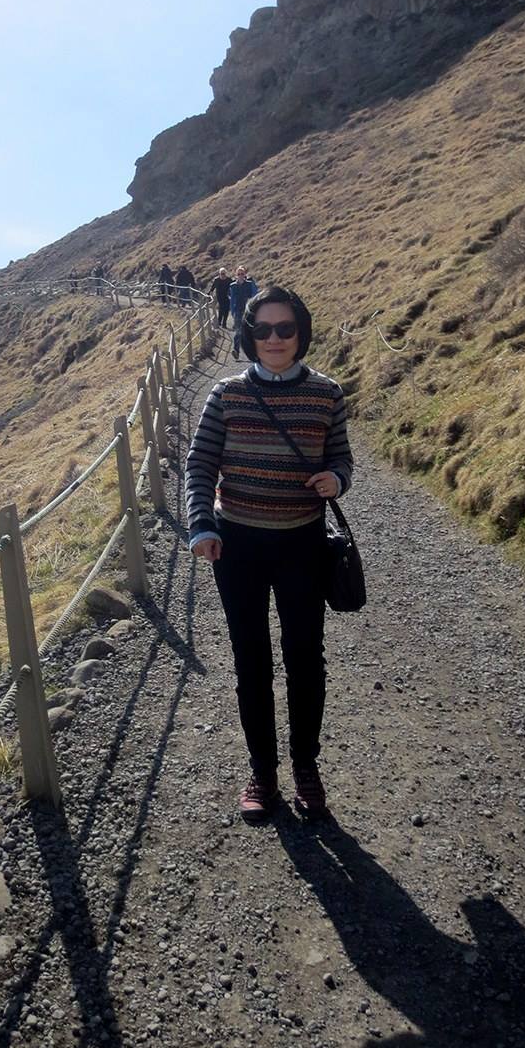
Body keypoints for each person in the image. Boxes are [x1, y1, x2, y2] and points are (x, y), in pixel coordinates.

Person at [186, 285, 354, 820]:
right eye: (263, 330)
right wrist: (201, 525)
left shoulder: (327, 394)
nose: (275, 338)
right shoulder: (226, 395)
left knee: (306, 660)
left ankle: (306, 765)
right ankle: (263, 770)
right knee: (251, 663)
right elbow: (199, 466)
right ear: (250, 335)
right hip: (238, 547)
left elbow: (341, 458)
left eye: (285, 328)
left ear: (301, 331)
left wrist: (336, 479)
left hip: (303, 542)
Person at [228, 268, 258, 358]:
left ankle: (252, 351)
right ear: (236, 275)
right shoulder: (232, 286)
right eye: (239, 274)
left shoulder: (249, 284)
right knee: (238, 331)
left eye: (242, 274)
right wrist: (232, 311)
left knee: (250, 330)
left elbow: (254, 295)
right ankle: (236, 350)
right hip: (238, 310)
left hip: (248, 310)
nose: (240, 276)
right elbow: (232, 298)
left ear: (245, 275)